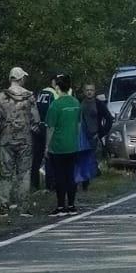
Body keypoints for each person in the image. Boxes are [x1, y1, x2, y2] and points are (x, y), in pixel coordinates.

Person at [0, 67, 41, 217]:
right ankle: (23, 208)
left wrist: (1, 132)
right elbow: (36, 120)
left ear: (11, 78)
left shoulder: (1, 97)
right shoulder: (29, 96)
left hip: (6, 139)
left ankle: (3, 207)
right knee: (24, 173)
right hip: (25, 139)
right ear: (20, 79)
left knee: (5, 173)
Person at [45, 74, 81, 215]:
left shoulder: (55, 105)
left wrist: (46, 146)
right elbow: (78, 125)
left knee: (60, 176)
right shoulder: (76, 103)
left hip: (58, 146)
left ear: (57, 87)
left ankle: (61, 206)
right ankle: (71, 205)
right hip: (72, 145)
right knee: (71, 176)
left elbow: (50, 127)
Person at [78, 83, 113, 188]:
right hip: (82, 136)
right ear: (84, 92)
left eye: (91, 90)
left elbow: (109, 119)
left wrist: (101, 133)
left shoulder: (99, 104)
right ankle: (85, 180)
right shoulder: (80, 103)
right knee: (82, 158)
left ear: (94, 91)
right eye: (87, 90)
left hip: (94, 135)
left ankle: (87, 181)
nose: (89, 92)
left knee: (90, 158)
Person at [31, 73, 58, 191]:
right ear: (53, 82)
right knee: (49, 156)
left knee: (37, 157)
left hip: (38, 128)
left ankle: (34, 184)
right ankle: (50, 184)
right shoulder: (55, 94)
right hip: (48, 127)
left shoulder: (41, 92)